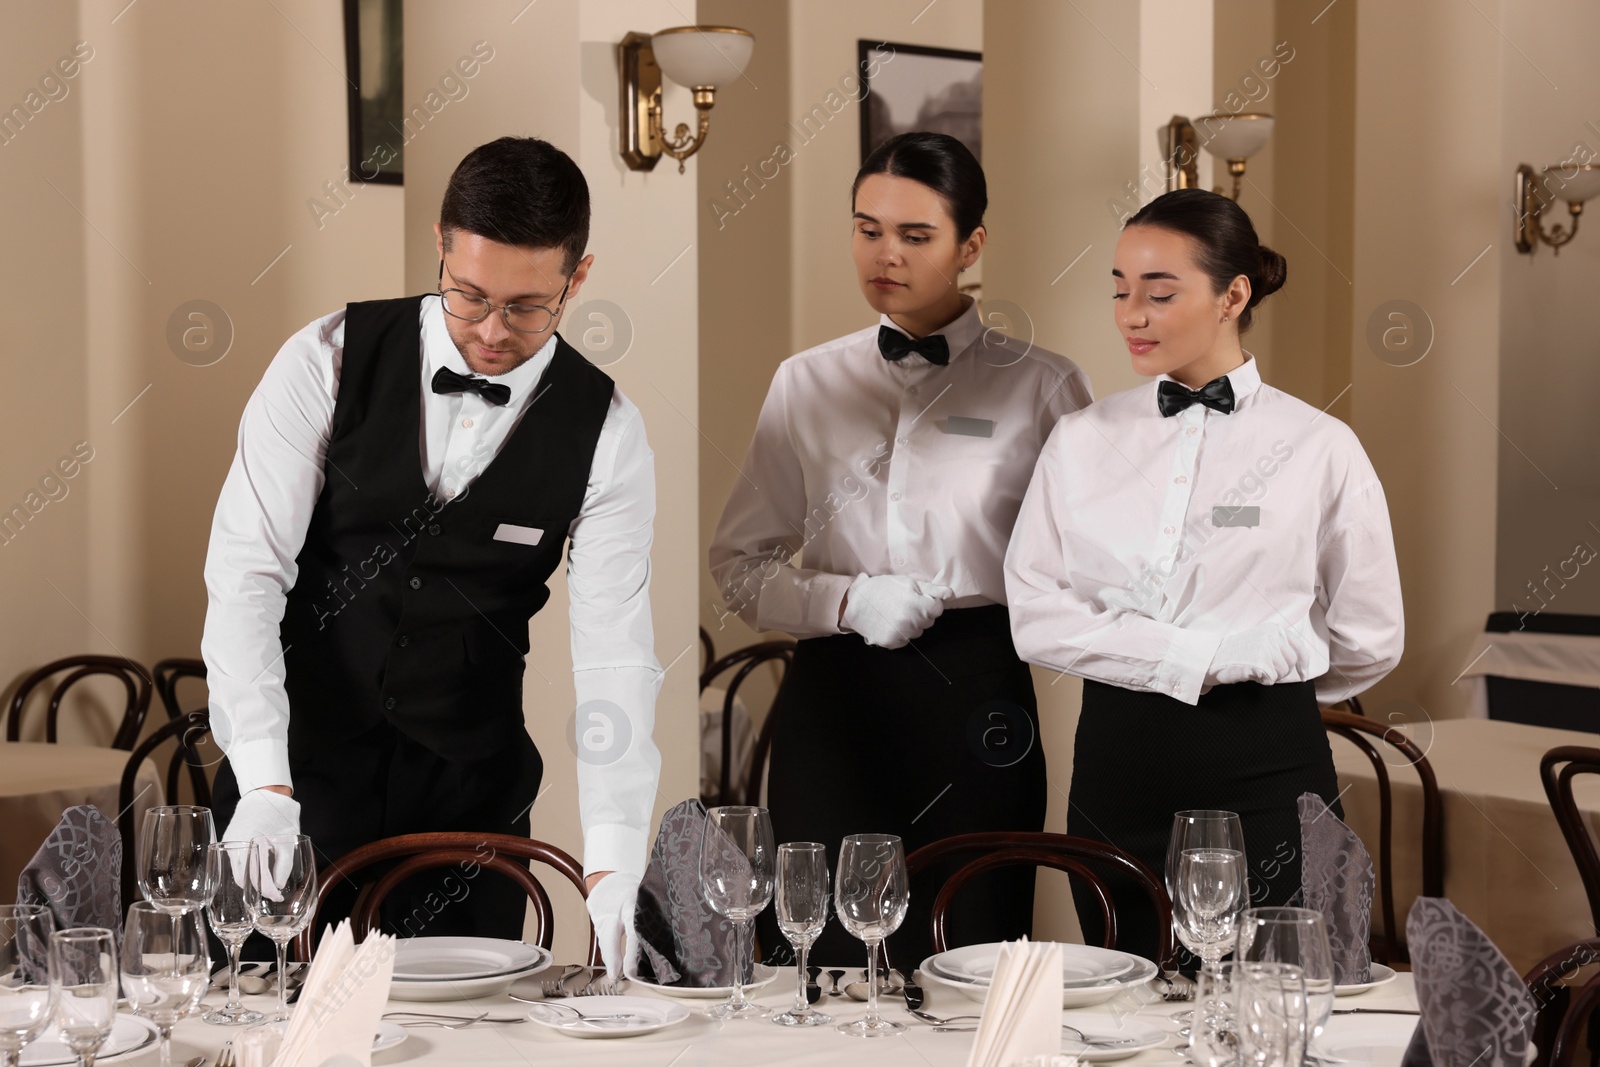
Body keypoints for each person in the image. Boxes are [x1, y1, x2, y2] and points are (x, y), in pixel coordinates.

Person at [201, 136, 660, 977]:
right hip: (297, 788)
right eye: (469, 295)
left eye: (528, 306)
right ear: (441, 243)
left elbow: (615, 655)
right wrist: (265, 780)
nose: (491, 331)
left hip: (469, 810)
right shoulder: (325, 362)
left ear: (577, 278)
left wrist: (613, 853)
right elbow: (244, 578)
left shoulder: (608, 433)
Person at [710, 132, 1094, 967]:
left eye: (915, 236)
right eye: (867, 228)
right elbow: (738, 564)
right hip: (834, 695)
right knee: (828, 953)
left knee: (974, 945)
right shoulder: (804, 381)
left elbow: (1084, 563)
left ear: (971, 245)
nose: (885, 254)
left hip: (980, 699)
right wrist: (844, 600)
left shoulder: (1044, 385)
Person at [1004, 188, 1403, 963]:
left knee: (1274, 1003)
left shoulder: (1322, 446)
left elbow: (1371, 635)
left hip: (1270, 768)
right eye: (1120, 289)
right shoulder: (1079, 441)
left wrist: (1271, 684)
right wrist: (1213, 659)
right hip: (1119, 768)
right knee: (1129, 997)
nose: (1131, 315)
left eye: (1159, 292)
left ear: (1234, 294)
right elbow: (1036, 614)